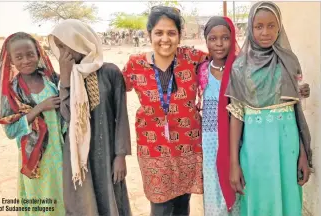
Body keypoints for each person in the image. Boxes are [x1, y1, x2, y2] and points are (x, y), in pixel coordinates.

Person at [226, 2, 312, 215]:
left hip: (287, 145)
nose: (265, 32)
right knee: (258, 201)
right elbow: (237, 115)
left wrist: (302, 154)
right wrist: (234, 163)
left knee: (288, 199)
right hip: (255, 149)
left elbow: (295, 111)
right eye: (259, 26)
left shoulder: (288, 62)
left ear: (279, 27)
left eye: (272, 26)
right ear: (250, 28)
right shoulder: (240, 67)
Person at [122, 6, 207, 216]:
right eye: (158, 33)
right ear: (148, 34)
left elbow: (229, 59)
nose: (165, 39)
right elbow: (111, 87)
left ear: (180, 35)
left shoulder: (193, 58)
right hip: (153, 149)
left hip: (188, 145)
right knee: (159, 206)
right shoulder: (135, 64)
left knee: (182, 202)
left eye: (171, 33)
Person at [48, 19, 132, 216]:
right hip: (78, 154)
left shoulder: (110, 72)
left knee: (110, 196)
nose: (61, 52)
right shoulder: (67, 76)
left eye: (64, 45)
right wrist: (66, 80)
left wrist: (120, 156)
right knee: (82, 202)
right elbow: (67, 116)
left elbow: (121, 116)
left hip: (107, 150)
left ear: (79, 41)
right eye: (58, 47)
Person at [0, 32, 65, 215]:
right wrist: (39, 108)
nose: (26, 60)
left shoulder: (52, 80)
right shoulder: (11, 92)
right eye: (19, 57)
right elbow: (11, 131)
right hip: (35, 160)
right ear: (11, 60)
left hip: (61, 153)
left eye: (30, 54)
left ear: (38, 54)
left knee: (63, 200)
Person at [197, 16, 240, 216]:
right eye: (212, 39)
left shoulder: (240, 69)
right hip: (210, 140)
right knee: (214, 187)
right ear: (206, 41)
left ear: (233, 39)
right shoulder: (201, 70)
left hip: (237, 140)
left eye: (225, 38)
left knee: (238, 185)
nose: (219, 44)